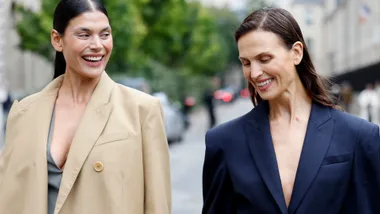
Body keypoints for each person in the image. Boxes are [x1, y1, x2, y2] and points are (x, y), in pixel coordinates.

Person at [202, 7, 380, 214]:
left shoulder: (360, 136)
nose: (255, 73)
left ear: (296, 53)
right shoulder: (224, 141)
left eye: (265, 59)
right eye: (246, 63)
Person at [0, 1, 171, 214]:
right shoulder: (23, 113)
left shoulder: (142, 111)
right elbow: (8, 199)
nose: (98, 44)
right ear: (57, 40)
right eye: (84, 35)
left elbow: (158, 206)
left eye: (105, 34)